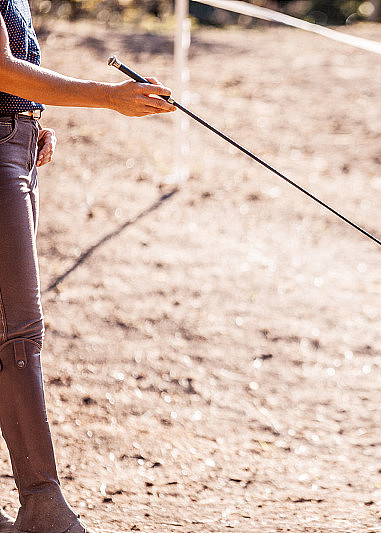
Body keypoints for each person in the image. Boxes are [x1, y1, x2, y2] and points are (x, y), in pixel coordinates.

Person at [0, 1, 175, 531]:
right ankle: (42, 505)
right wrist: (110, 97)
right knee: (18, 331)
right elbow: (2, 69)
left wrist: (28, 121)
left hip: (15, 147)